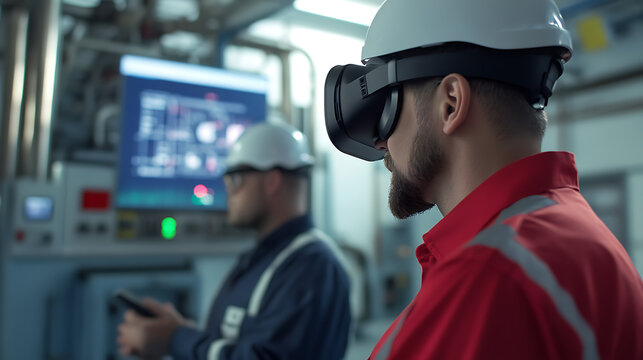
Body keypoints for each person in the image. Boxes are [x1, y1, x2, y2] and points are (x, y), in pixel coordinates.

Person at [324, 0, 643, 359]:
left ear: (451, 103)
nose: (382, 142)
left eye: (388, 108)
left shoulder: (489, 277)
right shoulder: (580, 236)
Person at [117, 122, 352, 359]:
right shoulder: (267, 260)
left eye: (236, 178)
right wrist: (176, 333)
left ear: (272, 181)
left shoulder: (311, 267)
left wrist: (175, 338)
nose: (228, 191)